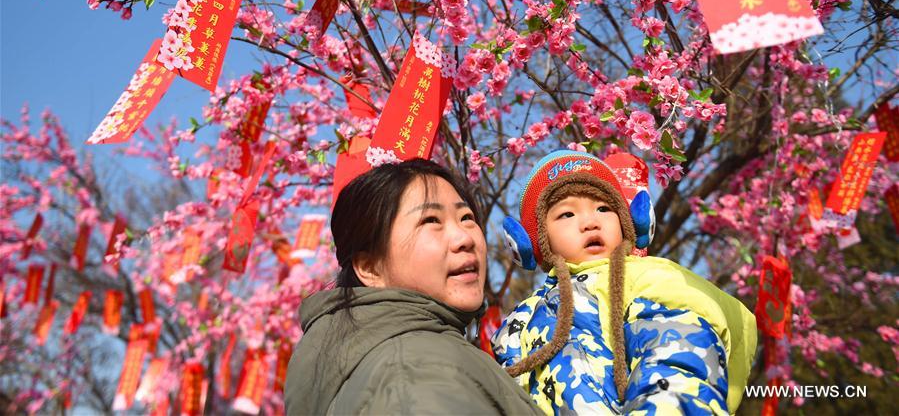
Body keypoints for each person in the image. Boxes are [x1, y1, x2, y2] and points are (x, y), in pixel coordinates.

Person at [493, 149, 758, 415]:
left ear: (630, 222)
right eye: (567, 215)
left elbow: (678, 359)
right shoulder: (521, 319)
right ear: (531, 242)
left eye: (604, 208)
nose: (590, 222)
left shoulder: (647, 280)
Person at [284, 158, 541, 415]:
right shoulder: (415, 372)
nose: (464, 238)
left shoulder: (385, 364)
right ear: (371, 268)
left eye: (466, 217)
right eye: (430, 220)